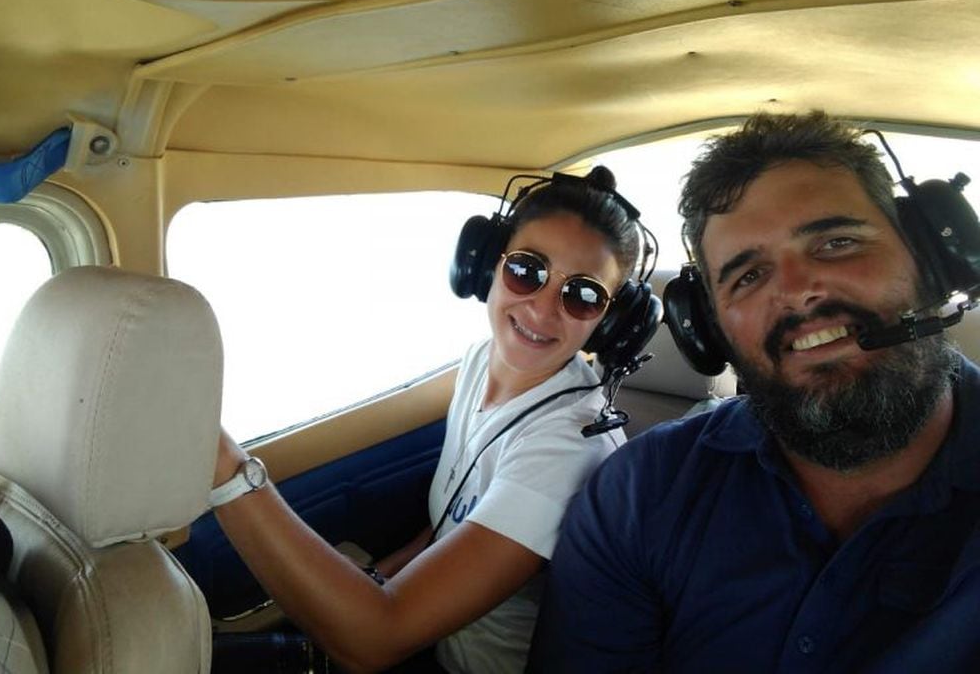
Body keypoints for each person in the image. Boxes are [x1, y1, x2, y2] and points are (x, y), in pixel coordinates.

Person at [528, 111, 980, 672]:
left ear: (932, 258)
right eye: (747, 276)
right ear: (710, 328)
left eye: (836, 242)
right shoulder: (638, 497)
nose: (795, 292)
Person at [211, 167, 643, 673]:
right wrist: (378, 576)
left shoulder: (571, 447)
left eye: (583, 295)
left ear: (610, 322)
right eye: (528, 270)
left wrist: (225, 469)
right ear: (486, 265)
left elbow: (378, 638)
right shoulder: (482, 359)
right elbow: (452, 526)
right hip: (432, 645)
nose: (544, 310)